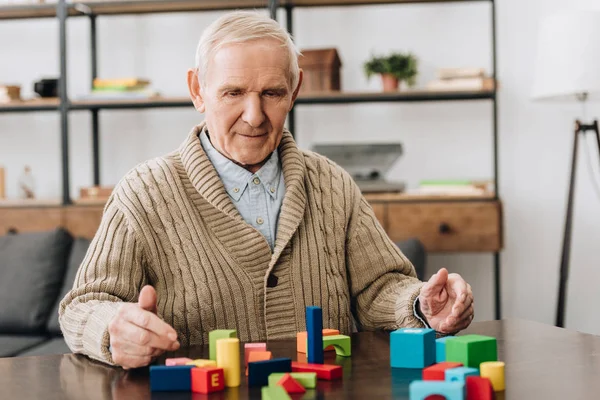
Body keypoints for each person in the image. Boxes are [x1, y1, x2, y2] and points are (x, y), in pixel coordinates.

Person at [59, 10, 474, 370]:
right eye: (233, 92)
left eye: (272, 93)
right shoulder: (143, 192)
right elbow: (84, 305)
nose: (254, 116)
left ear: (294, 92)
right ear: (197, 90)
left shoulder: (331, 183)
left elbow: (378, 287)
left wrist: (420, 304)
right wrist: (113, 330)